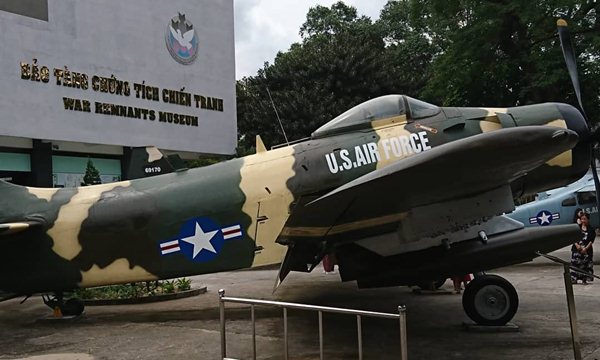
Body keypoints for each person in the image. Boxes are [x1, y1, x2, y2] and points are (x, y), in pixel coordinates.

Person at [571, 212, 594, 284]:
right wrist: (577, 245)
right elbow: (573, 237)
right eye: (582, 219)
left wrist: (585, 249)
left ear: (588, 220)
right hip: (577, 250)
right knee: (575, 264)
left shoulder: (591, 229)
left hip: (586, 251)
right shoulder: (577, 227)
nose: (583, 221)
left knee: (585, 265)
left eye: (585, 219)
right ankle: (574, 279)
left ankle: (584, 279)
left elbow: (591, 241)